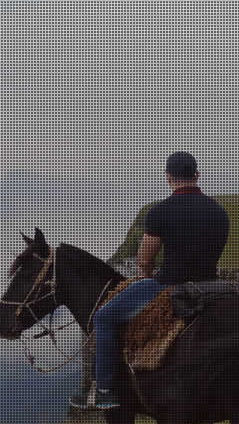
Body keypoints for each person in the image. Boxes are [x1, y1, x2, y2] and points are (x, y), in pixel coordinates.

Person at [76, 151, 230, 409]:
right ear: (197, 175)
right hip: (211, 285)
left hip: (169, 285)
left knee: (103, 317)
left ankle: (103, 390)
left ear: (168, 178)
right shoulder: (219, 212)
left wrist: (145, 276)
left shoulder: (160, 212)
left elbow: (145, 259)